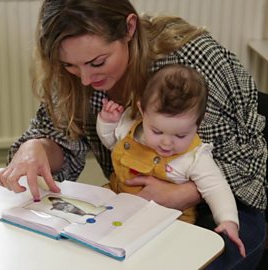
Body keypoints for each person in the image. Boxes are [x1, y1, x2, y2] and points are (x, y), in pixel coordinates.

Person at [0, 0, 268, 269]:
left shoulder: (191, 62)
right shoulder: (76, 68)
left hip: (221, 212)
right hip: (137, 210)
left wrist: (185, 193)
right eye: (70, 66)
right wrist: (37, 147)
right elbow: (63, 142)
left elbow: (247, 164)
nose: (85, 80)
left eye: (97, 62)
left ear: (129, 28)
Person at [97, 64, 245, 257]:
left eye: (181, 135)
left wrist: (228, 221)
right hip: (119, 205)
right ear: (142, 110)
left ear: (199, 122)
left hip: (166, 222)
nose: (166, 143)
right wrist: (107, 122)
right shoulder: (133, 129)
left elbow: (217, 188)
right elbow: (111, 143)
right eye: (157, 131)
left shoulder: (195, 157)